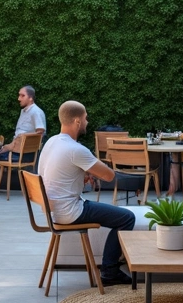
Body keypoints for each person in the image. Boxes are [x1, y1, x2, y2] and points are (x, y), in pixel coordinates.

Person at [38, 100, 134, 286]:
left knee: (117, 215)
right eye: (85, 118)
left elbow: (61, 173)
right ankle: (110, 271)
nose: (87, 122)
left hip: (53, 210)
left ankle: (110, 267)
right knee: (126, 218)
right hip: (70, 212)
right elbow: (108, 175)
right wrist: (91, 169)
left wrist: (83, 173)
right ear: (77, 121)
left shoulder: (52, 142)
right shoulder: (76, 150)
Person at [0, 86, 46, 161]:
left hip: (25, 154)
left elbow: (40, 132)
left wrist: (19, 139)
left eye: (22, 96)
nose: (19, 99)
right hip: (16, 151)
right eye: (19, 95)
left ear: (31, 98)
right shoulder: (24, 111)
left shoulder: (36, 112)